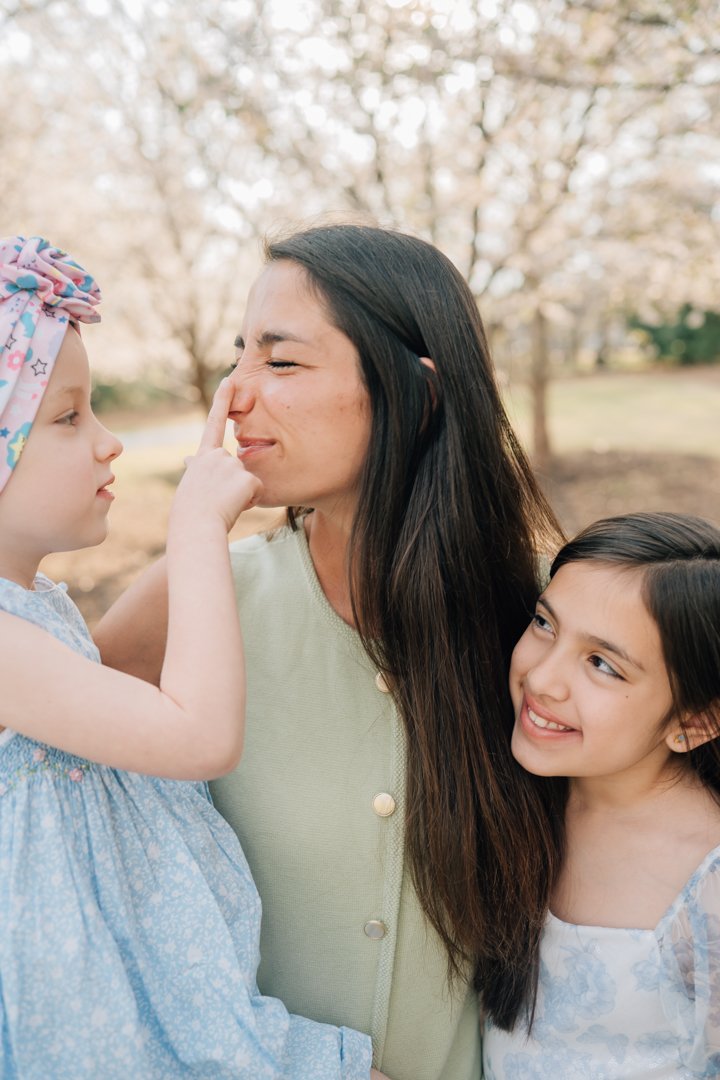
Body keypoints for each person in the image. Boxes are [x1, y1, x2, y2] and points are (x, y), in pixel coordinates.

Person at [96, 222, 566, 1080]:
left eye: (280, 363)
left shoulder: (553, 620)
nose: (233, 396)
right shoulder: (201, 594)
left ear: (415, 397)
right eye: (241, 355)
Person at [0, 235, 389, 1080]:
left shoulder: (36, 612)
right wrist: (197, 526)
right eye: (67, 417)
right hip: (94, 1015)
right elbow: (196, 735)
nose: (109, 444)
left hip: (151, 987)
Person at [483, 511, 720, 1079]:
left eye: (602, 665)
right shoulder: (522, 799)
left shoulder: (706, 880)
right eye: (545, 623)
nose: (543, 680)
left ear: (693, 722)